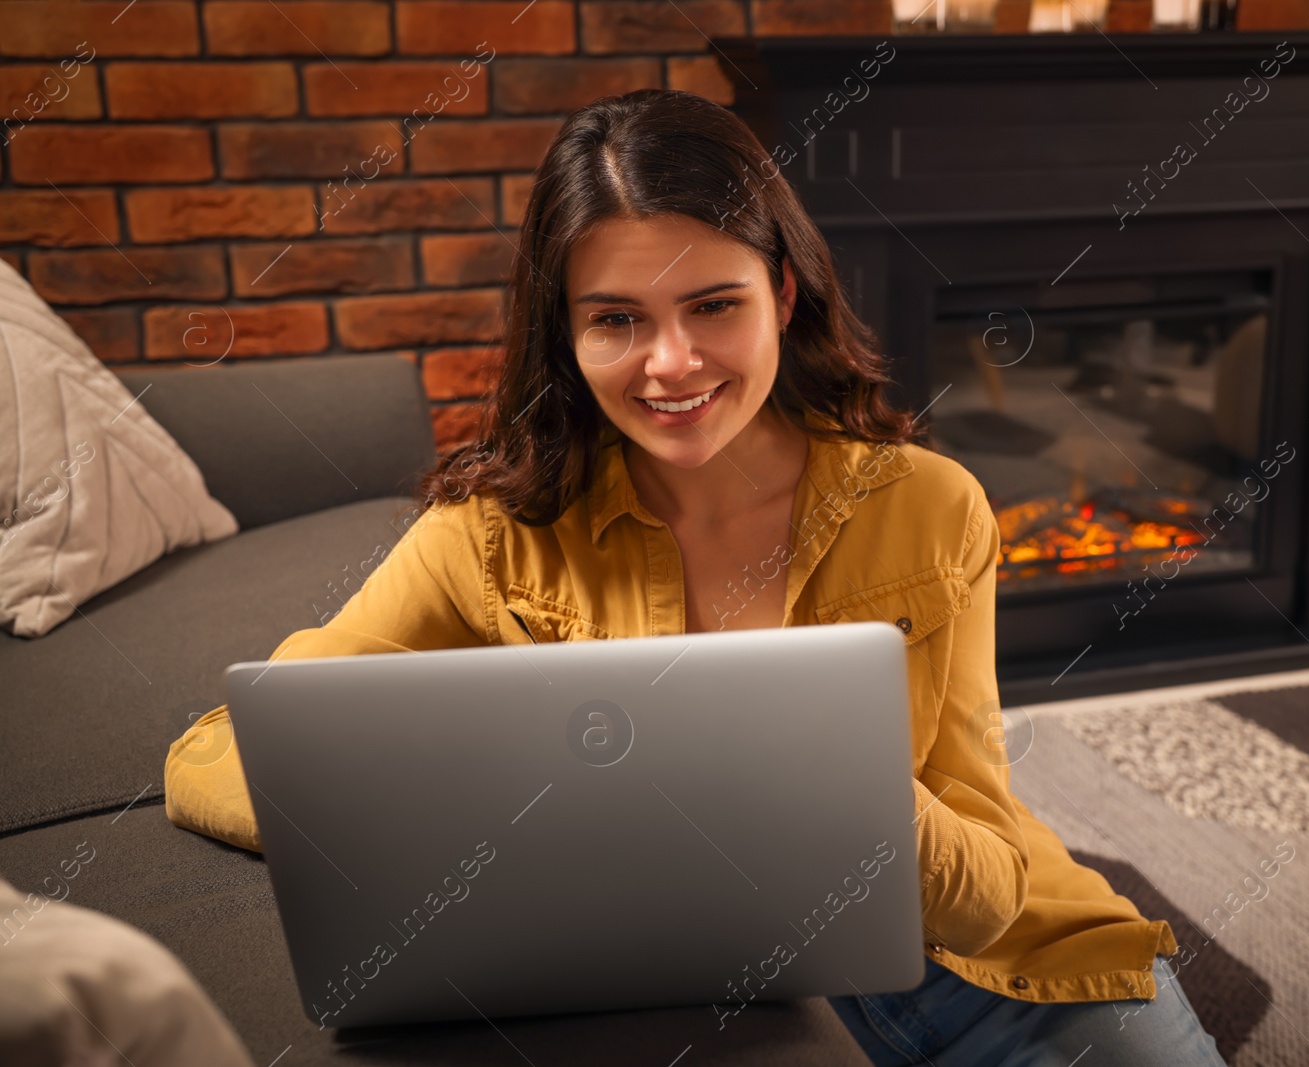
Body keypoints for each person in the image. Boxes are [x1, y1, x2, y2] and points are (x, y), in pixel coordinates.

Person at [164, 88, 1225, 1066]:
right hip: (706, 1001)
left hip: (992, 982)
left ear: (783, 293)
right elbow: (214, 755)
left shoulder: (927, 505)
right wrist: (496, 812)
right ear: (565, 333)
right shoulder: (488, 539)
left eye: (713, 304)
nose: (671, 364)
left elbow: (987, 891)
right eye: (617, 318)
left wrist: (841, 795)